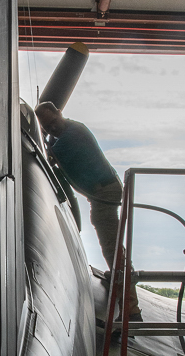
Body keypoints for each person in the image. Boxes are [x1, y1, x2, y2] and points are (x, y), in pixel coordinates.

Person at [35, 99, 124, 270]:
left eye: (53, 122)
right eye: (46, 127)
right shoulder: (60, 135)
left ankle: (121, 278)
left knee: (109, 240)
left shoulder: (73, 133)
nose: (52, 128)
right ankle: (119, 273)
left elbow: (48, 157)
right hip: (101, 191)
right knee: (107, 235)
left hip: (104, 191)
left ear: (60, 113)